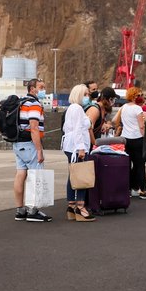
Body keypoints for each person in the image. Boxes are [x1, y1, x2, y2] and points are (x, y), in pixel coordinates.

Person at [12, 78, 52, 222]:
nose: (43, 90)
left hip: (17, 144)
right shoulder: (34, 104)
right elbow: (34, 128)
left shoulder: (21, 102)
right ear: (32, 88)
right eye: (41, 87)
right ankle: (33, 210)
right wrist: (39, 149)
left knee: (20, 174)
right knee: (37, 176)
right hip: (29, 144)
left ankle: (20, 210)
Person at [62, 84, 96, 222]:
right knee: (81, 175)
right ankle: (81, 207)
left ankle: (71, 206)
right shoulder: (77, 109)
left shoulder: (72, 108)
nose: (88, 97)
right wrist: (81, 148)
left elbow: (68, 127)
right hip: (77, 147)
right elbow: (77, 129)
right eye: (86, 94)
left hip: (71, 146)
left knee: (73, 174)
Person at [113, 86, 146, 199]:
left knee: (128, 165)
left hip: (126, 139)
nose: (140, 97)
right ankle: (142, 189)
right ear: (134, 97)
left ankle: (128, 188)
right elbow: (141, 126)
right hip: (137, 139)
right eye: (138, 95)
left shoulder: (124, 107)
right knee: (140, 165)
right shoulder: (138, 109)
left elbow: (116, 120)